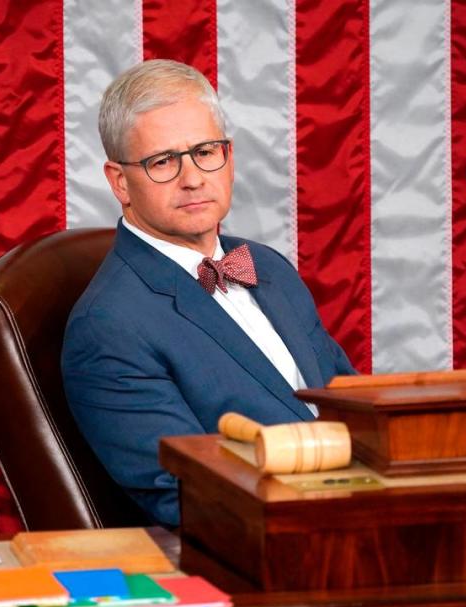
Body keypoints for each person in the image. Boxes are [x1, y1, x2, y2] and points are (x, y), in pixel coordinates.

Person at [61, 59, 355, 526]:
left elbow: (350, 404)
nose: (193, 177)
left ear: (229, 157)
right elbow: (187, 496)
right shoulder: (108, 326)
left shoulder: (269, 267)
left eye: (205, 151)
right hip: (277, 550)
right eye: (163, 162)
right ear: (120, 182)